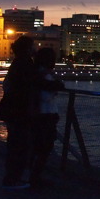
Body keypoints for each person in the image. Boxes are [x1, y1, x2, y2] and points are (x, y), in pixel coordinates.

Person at [0, 36, 37, 189]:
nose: (35, 48)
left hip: (12, 110)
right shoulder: (25, 63)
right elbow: (28, 86)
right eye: (33, 45)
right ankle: (13, 179)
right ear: (28, 48)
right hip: (19, 111)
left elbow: (8, 85)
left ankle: (11, 178)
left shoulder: (17, 62)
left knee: (14, 144)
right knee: (20, 146)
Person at [29, 46, 64, 188]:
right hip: (46, 115)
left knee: (37, 146)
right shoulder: (46, 75)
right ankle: (35, 178)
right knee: (45, 147)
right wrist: (55, 88)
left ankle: (32, 176)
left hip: (37, 115)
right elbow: (45, 96)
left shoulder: (34, 73)